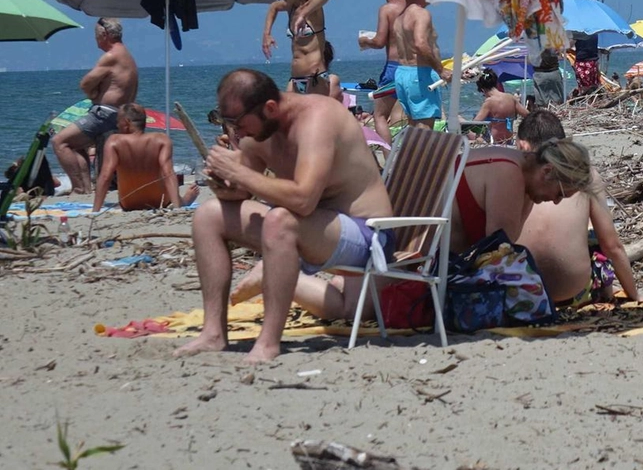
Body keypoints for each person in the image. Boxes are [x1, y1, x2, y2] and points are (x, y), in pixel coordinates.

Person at [230, 133, 596, 328]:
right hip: (406, 247)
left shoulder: (511, 166)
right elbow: (497, 254)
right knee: (346, 309)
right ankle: (281, 273)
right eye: (560, 192)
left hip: (409, 238)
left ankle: (284, 272)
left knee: (349, 290)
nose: (558, 202)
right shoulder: (510, 177)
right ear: (547, 172)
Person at [174, 69, 393, 364]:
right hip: (314, 229)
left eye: (238, 123)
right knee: (208, 216)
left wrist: (239, 172)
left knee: (282, 221)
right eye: (227, 122)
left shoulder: (316, 120)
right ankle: (213, 333)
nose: (235, 132)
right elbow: (244, 191)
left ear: (270, 108)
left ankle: (268, 343)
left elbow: (303, 200)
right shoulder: (256, 130)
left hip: (368, 234)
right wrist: (224, 183)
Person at [516, 111, 640, 307]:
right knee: (595, 238)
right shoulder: (584, 174)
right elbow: (612, 246)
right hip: (572, 295)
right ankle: (604, 293)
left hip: (520, 296)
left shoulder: (514, 171)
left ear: (521, 145)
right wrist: (634, 298)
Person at [52, 18, 139, 194]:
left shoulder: (111, 56)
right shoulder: (127, 55)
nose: (95, 40)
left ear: (104, 35)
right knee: (75, 145)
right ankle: (84, 189)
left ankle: (79, 188)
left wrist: (93, 95)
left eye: (95, 35)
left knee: (59, 141)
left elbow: (85, 84)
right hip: (119, 112)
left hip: (105, 114)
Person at [92, 103, 199, 213]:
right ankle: (182, 201)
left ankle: (182, 201)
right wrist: (177, 208)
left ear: (126, 122)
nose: (117, 124)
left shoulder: (114, 141)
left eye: (118, 120)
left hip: (129, 204)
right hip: (159, 202)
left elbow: (105, 176)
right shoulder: (161, 139)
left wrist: (95, 210)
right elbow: (168, 173)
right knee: (171, 190)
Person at [391, 0, 451, 128]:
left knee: (413, 126)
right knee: (425, 128)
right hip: (419, 74)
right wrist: (441, 70)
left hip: (403, 73)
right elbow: (420, 43)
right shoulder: (420, 13)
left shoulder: (399, 18)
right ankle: (422, 151)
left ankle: (412, 151)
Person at [358, 0, 409, 143]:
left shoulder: (387, 9)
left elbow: (379, 42)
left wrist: (365, 41)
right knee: (414, 118)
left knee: (379, 116)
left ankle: (389, 162)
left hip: (394, 67)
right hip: (413, 67)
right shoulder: (413, 8)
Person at [262, 0, 331, 94]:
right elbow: (273, 7)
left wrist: (303, 14)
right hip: (295, 78)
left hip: (314, 76)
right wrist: (267, 34)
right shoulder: (290, 8)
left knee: (313, 111)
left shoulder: (313, 8)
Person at [473, 69, 529, 144]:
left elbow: (474, 125)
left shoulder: (489, 102)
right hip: (509, 140)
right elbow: (528, 115)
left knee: (460, 121)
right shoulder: (511, 98)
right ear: (496, 84)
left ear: (483, 89)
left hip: (494, 141)